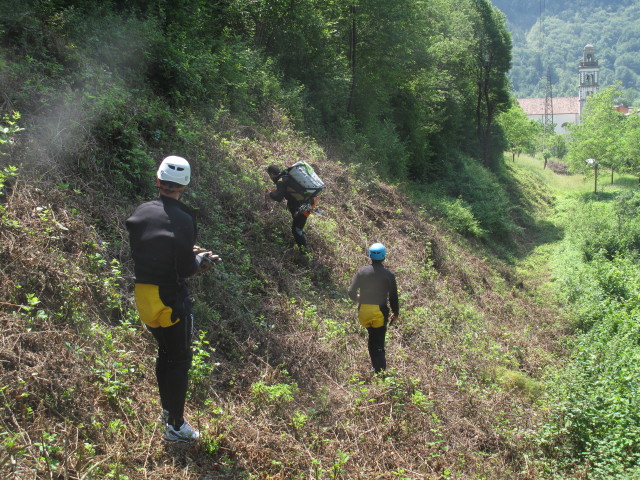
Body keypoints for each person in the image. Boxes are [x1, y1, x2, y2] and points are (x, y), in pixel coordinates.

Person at [126, 155, 219, 442]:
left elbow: (150, 247)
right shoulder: (184, 217)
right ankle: (176, 427)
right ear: (185, 185)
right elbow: (183, 268)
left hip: (143, 296)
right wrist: (199, 260)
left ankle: (168, 413)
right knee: (179, 360)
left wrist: (185, 251)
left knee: (164, 353)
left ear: (158, 180)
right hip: (170, 299)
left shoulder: (142, 212)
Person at [347, 243, 399, 374]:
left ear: (370, 255)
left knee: (371, 337)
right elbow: (393, 296)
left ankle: (374, 367)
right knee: (379, 343)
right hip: (379, 313)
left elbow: (351, 292)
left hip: (364, 312)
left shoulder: (362, 271)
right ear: (384, 256)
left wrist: (361, 300)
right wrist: (396, 312)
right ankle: (380, 373)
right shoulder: (388, 275)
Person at [265, 164, 316, 253]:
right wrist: (272, 193)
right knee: (297, 227)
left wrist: (269, 194)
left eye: (270, 176)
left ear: (272, 174)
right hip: (305, 204)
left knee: (296, 229)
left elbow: (279, 197)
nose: (270, 178)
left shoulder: (281, 180)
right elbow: (284, 193)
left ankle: (304, 253)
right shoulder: (286, 178)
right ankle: (303, 247)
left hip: (304, 206)